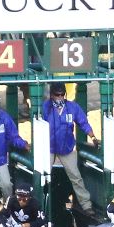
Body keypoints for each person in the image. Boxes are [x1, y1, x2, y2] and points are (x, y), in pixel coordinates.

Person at [41, 82, 98, 214]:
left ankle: (86, 205)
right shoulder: (45, 107)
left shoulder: (72, 107)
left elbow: (83, 122)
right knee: (43, 176)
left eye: (62, 95)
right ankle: (40, 206)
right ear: (51, 95)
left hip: (66, 147)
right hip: (48, 147)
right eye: (57, 95)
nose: (60, 97)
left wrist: (93, 137)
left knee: (76, 176)